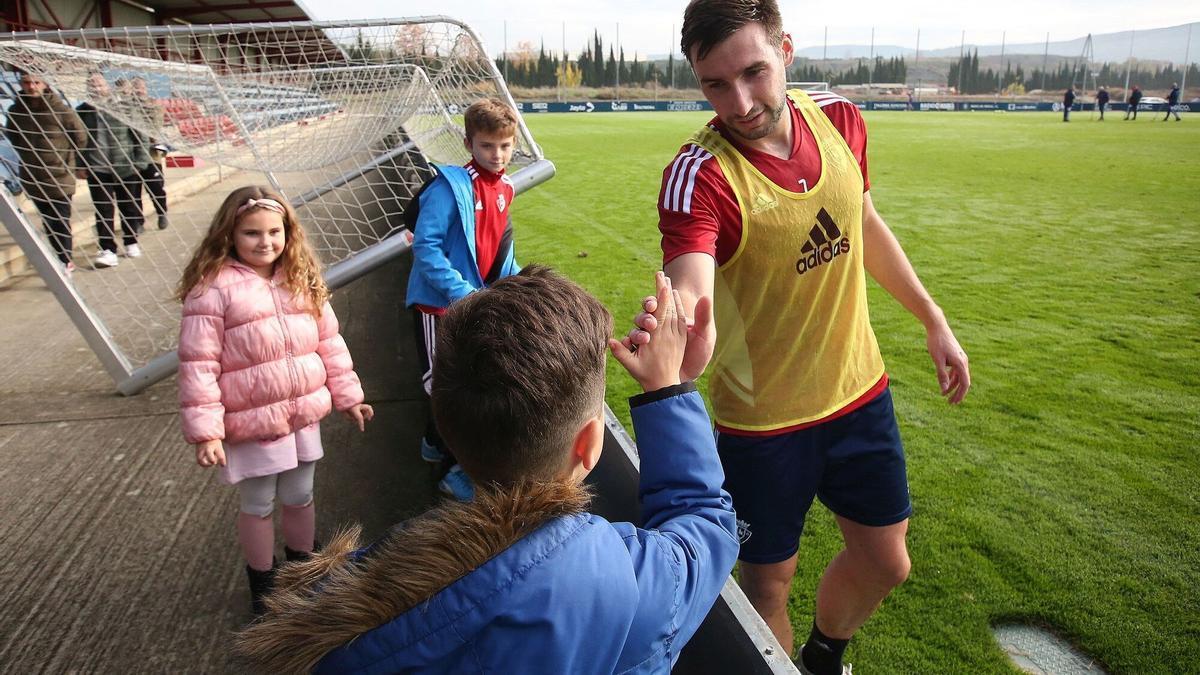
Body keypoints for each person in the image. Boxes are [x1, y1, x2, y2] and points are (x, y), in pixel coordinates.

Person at [640, 1, 972, 672]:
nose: (739, 102)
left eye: (754, 73)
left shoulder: (841, 118)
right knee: (766, 585)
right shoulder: (700, 176)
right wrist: (687, 343)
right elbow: (692, 287)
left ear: (785, 50)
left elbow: (864, 224)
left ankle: (825, 655)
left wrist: (932, 318)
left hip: (858, 391)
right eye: (715, 84)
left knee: (887, 559)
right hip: (763, 428)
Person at [235, 266, 739, 674]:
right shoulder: (619, 580)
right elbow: (704, 527)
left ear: (449, 429)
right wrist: (668, 387)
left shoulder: (345, 612)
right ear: (588, 445)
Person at [176, 185, 375, 615]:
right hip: (252, 425)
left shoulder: (300, 278)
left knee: (301, 495)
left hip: (302, 415)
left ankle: (304, 567)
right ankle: (263, 583)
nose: (265, 242)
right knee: (259, 504)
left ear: (288, 233)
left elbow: (330, 343)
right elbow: (198, 365)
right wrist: (208, 432)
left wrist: (349, 396)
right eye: (252, 233)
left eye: (274, 232)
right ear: (229, 235)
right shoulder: (212, 290)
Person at [404, 97, 522, 501]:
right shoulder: (448, 186)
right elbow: (426, 247)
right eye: (488, 146)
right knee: (444, 387)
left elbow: (501, 251)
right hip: (436, 306)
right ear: (470, 143)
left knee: (469, 384)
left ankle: (437, 448)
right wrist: (461, 291)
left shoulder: (506, 187)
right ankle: (454, 470)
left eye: (505, 145)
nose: (498, 154)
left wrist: (519, 286)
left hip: (474, 302)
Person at [4, 70, 87, 275]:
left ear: (45, 84)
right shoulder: (16, 111)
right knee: (48, 220)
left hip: (60, 176)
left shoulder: (62, 111)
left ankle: (65, 260)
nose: (31, 87)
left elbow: (81, 138)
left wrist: (70, 162)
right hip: (33, 177)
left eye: (36, 82)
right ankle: (60, 256)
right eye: (26, 83)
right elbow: (14, 138)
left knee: (60, 218)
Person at [75, 72, 150, 268]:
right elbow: (76, 141)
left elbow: (140, 134)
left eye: (99, 85)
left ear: (107, 86)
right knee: (103, 209)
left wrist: (140, 163)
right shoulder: (82, 111)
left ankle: (131, 241)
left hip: (125, 166)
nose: (96, 89)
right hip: (97, 168)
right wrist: (79, 164)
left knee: (128, 206)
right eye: (91, 85)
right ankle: (108, 249)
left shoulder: (124, 107)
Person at [129, 76, 169, 228]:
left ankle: (161, 213)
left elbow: (154, 128)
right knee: (134, 191)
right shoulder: (126, 107)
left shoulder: (154, 106)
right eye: (135, 87)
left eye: (141, 87)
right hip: (131, 155)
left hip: (151, 155)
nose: (138, 90)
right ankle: (138, 221)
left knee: (156, 188)